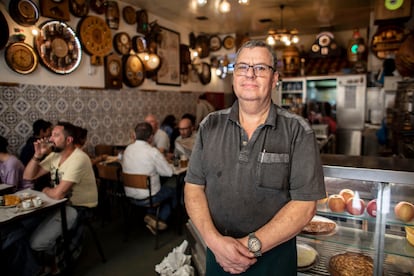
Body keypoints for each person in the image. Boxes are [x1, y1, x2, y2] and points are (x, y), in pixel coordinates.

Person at [184, 40, 326, 275]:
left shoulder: (298, 130)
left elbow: (305, 205)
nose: (250, 74)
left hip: (273, 262)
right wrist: (215, 242)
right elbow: (193, 188)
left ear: (275, 78)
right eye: (242, 67)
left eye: (260, 68)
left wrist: (249, 247)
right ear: (233, 77)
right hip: (218, 258)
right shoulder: (210, 125)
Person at [23, 121, 98, 261]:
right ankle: (48, 258)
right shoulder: (55, 156)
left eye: (56, 135)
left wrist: (45, 189)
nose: (50, 139)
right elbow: (28, 176)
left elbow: (58, 194)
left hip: (80, 206)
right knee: (24, 228)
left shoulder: (79, 158)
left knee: (36, 242)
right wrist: (37, 156)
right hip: (58, 203)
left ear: (68, 140)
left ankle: (56, 261)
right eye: (51, 135)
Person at [121, 122, 176, 233]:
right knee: (176, 188)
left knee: (155, 185)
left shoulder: (127, 150)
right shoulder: (152, 152)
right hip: (149, 198)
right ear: (151, 137)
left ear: (135, 135)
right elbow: (169, 173)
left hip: (130, 196)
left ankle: (150, 216)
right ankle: (159, 219)